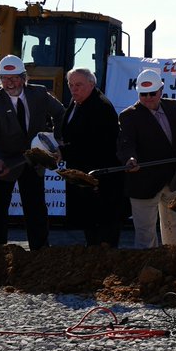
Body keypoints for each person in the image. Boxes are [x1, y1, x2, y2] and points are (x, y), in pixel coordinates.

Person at [0, 54, 66, 250]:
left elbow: (61, 114)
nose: (10, 83)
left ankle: (40, 251)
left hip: (33, 161)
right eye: (5, 79)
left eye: (14, 78)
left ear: (24, 77)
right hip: (4, 164)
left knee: (36, 208)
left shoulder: (40, 94)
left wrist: (57, 140)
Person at [118, 69, 176, 248]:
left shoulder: (174, 107)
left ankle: (174, 260)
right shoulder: (129, 116)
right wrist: (130, 159)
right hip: (144, 182)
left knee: (175, 226)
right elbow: (125, 143)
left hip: (173, 179)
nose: (148, 98)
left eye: (152, 93)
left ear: (161, 90)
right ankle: (148, 267)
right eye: (143, 94)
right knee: (145, 231)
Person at [59, 68, 127, 247]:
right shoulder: (77, 103)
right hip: (86, 179)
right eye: (71, 85)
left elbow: (96, 145)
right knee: (90, 228)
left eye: (79, 85)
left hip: (102, 181)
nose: (74, 89)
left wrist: (64, 152)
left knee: (104, 231)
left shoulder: (100, 107)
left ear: (92, 84)